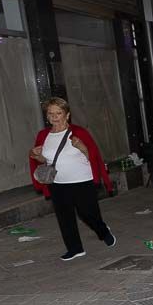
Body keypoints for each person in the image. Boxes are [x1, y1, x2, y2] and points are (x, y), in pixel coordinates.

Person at [29, 97, 116, 261]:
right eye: (50, 113)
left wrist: (82, 147)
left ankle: (103, 231)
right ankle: (75, 249)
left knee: (87, 213)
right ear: (47, 116)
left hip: (82, 181)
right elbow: (43, 160)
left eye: (58, 113)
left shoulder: (79, 132)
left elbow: (94, 157)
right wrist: (36, 155)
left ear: (67, 115)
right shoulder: (43, 135)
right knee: (64, 216)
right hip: (57, 183)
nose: (54, 117)